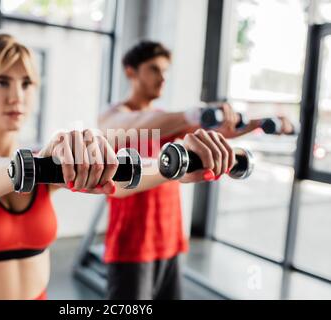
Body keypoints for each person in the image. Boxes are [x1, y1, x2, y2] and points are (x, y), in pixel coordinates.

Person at [0, 33, 235, 300]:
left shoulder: (44, 164)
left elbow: (119, 183)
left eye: (27, 83)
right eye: (2, 82)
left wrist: (171, 166)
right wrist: (41, 159)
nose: (17, 96)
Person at [99, 40, 295, 300]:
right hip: (133, 246)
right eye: (154, 69)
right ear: (130, 71)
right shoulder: (116, 115)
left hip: (169, 240)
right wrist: (194, 114)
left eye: (165, 71)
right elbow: (133, 124)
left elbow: (218, 132)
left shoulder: (166, 117)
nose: (162, 78)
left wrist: (263, 122)